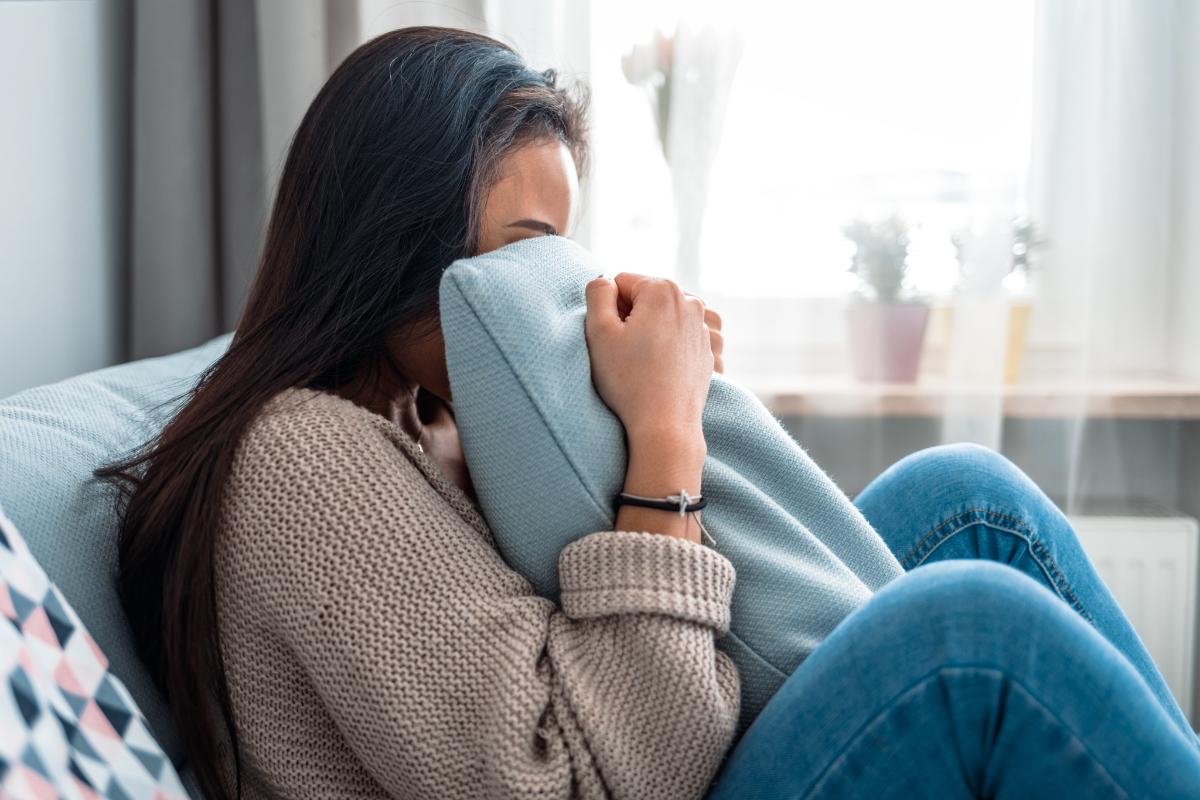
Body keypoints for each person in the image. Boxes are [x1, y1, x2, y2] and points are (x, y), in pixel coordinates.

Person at [97, 25, 1200, 800]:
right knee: (967, 632)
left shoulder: (430, 419)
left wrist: (633, 412)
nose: (562, 300)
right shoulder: (303, 457)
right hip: (645, 768)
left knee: (966, 499)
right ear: (397, 236)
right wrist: (664, 436)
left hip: (674, 732)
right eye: (532, 256)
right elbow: (582, 776)